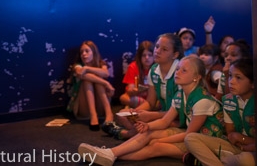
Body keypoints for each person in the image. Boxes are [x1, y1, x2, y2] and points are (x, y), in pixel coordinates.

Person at [78, 56, 225, 166]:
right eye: (178, 68)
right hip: (191, 136)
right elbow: (165, 120)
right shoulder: (180, 94)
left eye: (183, 70)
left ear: (196, 77)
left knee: (156, 145)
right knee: (148, 133)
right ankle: (110, 153)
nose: (178, 72)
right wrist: (148, 126)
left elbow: (189, 135)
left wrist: (159, 139)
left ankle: (110, 156)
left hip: (204, 143)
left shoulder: (202, 100)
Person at [103, 33, 183, 140]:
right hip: (163, 114)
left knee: (148, 124)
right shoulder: (154, 70)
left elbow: (180, 113)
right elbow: (150, 102)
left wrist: (150, 116)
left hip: (179, 118)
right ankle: (137, 133)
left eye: (164, 49)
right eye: (157, 46)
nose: (157, 51)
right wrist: (135, 112)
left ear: (175, 54)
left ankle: (126, 134)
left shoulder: (180, 72)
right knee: (122, 114)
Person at [184, 58, 255, 166]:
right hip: (235, 146)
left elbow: (237, 137)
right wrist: (241, 141)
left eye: (238, 78)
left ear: (253, 83)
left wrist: (242, 138)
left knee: (246, 160)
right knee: (190, 138)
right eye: (230, 76)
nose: (231, 81)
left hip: (252, 150)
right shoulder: (228, 100)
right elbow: (231, 134)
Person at [67, 40, 115, 131]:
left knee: (97, 79)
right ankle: (93, 116)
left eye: (87, 51)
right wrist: (106, 83)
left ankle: (109, 113)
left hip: (100, 107)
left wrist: (87, 68)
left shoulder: (101, 63)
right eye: (82, 52)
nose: (84, 54)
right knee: (87, 80)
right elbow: (80, 73)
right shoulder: (78, 65)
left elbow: (106, 73)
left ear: (94, 52)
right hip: (84, 108)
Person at [119, 40, 154, 109]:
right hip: (138, 97)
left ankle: (147, 107)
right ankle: (148, 107)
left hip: (152, 98)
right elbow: (130, 89)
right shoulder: (133, 66)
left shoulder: (157, 67)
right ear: (139, 57)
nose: (147, 58)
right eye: (144, 55)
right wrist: (134, 90)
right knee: (123, 98)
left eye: (150, 55)